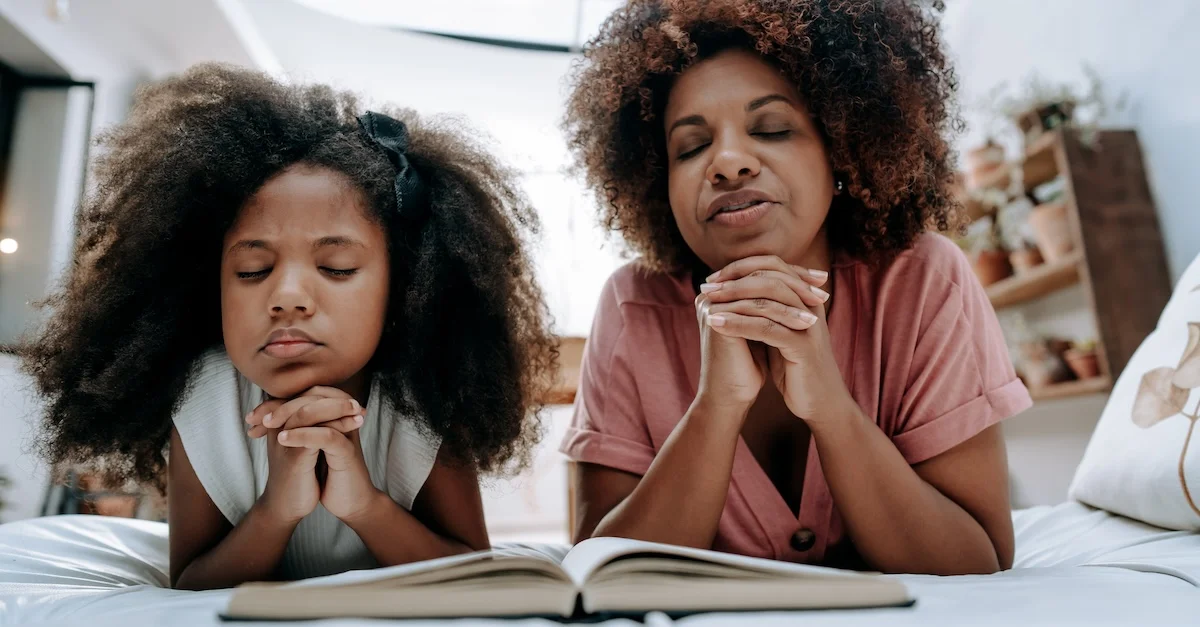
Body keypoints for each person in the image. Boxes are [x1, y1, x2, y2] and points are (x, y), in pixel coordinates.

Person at [21, 64, 557, 590]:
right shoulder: (204, 392)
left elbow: (473, 573)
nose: (286, 297)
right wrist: (277, 508)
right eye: (253, 270)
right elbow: (191, 581)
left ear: (405, 291)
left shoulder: (425, 393)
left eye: (336, 268)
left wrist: (364, 506)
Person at [559, 0, 1032, 575]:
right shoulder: (632, 307)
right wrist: (715, 409)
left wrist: (830, 408)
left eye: (773, 129)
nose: (728, 163)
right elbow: (598, 571)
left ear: (842, 150)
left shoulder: (925, 279)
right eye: (691, 147)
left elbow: (978, 561)